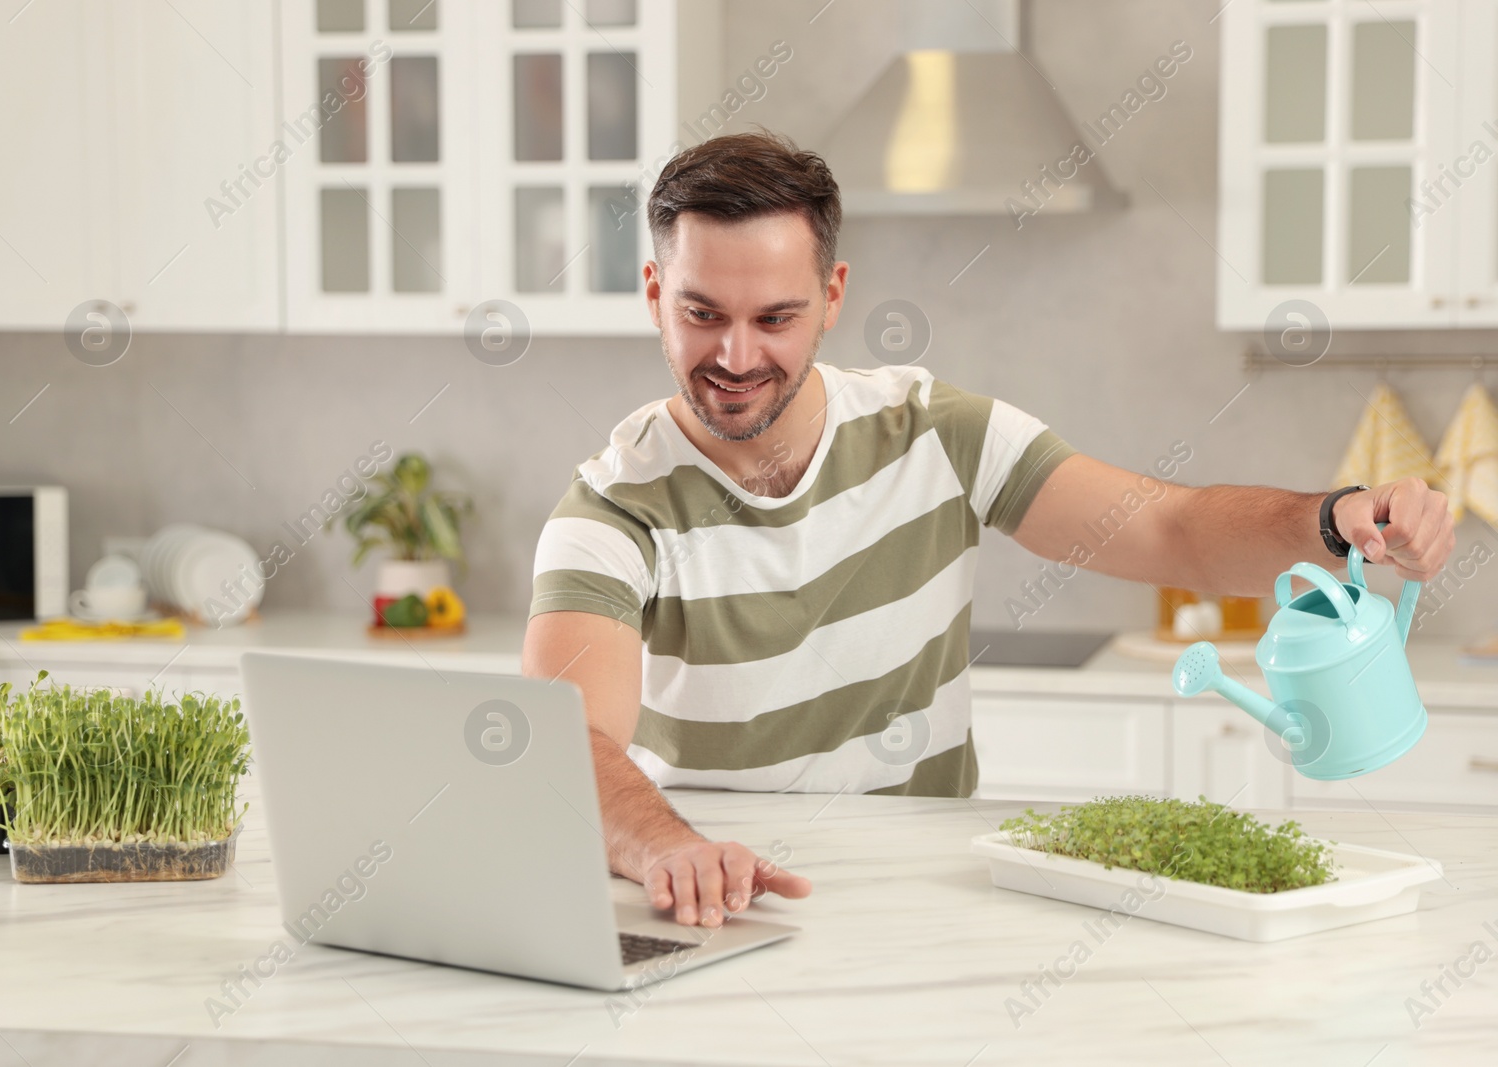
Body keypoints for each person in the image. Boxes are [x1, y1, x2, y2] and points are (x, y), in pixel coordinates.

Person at [520, 131, 1456, 929]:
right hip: (718, 892)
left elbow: (1168, 530)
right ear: (652, 292)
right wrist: (669, 847)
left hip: (930, 894)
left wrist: (1330, 520)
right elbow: (565, 736)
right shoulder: (612, 509)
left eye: (775, 317)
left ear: (834, 296)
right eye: (701, 314)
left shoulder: (940, 433)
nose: (735, 356)